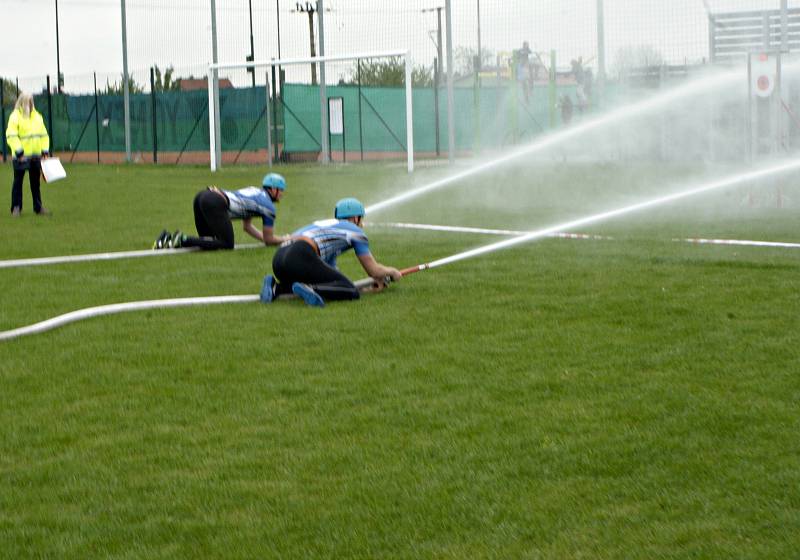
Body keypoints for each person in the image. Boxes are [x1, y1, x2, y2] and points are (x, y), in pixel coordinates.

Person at [261, 197, 402, 308]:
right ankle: (310, 289)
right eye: (361, 218)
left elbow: (332, 275)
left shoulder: (327, 228)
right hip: (300, 254)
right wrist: (393, 272)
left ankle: (276, 287)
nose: (361, 223)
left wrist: (366, 287)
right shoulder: (355, 231)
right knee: (351, 291)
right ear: (355, 218)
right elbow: (374, 271)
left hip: (279, 259)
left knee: (341, 286)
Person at [154, 173, 289, 250]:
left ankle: (167, 239)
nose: (282, 194)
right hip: (214, 201)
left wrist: (269, 241)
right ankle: (182, 239)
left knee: (209, 243)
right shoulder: (268, 207)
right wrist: (284, 239)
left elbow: (247, 227)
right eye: (281, 190)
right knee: (227, 244)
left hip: (203, 196)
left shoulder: (256, 192)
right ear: (272, 189)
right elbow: (269, 239)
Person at [5, 92, 50, 216]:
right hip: (21, 157)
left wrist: (45, 151)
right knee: (18, 182)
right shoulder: (15, 117)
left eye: (31, 101)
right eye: (27, 101)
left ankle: (38, 208)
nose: (29, 104)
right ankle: (16, 208)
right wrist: (19, 153)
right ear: (21, 102)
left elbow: (44, 135)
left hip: (36, 156)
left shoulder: (37, 117)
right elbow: (11, 136)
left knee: (36, 183)